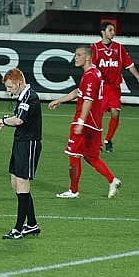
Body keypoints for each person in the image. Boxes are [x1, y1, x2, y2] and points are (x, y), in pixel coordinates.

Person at [49, 45, 121, 199]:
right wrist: (60, 100)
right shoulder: (94, 73)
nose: (75, 57)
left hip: (85, 122)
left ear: (87, 57)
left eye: (78, 54)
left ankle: (73, 191)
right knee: (91, 157)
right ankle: (112, 180)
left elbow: (87, 100)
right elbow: (79, 92)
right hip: (95, 124)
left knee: (73, 155)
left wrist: (80, 122)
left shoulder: (90, 76)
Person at [0, 68, 42, 240]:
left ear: (19, 83)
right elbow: (20, 118)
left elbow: (19, 120)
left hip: (28, 144)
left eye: (10, 87)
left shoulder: (30, 97)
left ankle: (18, 229)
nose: (8, 90)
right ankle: (32, 224)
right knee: (16, 185)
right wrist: (9, 119)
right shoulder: (23, 96)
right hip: (20, 143)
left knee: (22, 186)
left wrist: (3, 120)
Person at [91, 21, 139, 153]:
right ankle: (97, 143)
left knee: (115, 113)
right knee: (99, 115)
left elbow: (129, 64)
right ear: (103, 32)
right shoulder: (95, 48)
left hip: (115, 86)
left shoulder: (119, 48)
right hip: (101, 87)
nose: (113, 32)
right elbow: (91, 68)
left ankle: (108, 140)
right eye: (110, 30)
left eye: (114, 30)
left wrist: (138, 77)